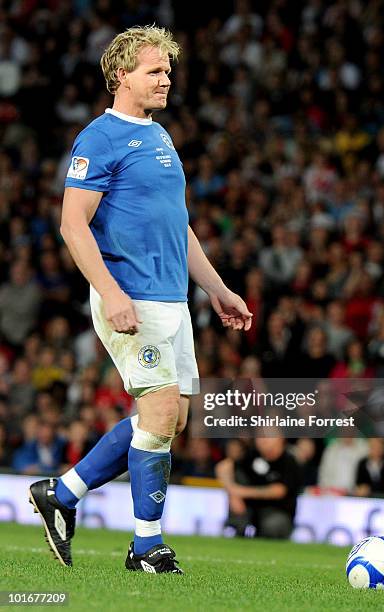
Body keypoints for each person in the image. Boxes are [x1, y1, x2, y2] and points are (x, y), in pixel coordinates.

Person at [29, 25, 252, 574]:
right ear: (120, 76)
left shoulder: (160, 136)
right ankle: (147, 546)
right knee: (157, 410)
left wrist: (217, 288)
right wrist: (110, 292)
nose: (165, 79)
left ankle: (63, 493)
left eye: (168, 71)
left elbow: (179, 225)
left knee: (172, 419)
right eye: (154, 71)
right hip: (132, 297)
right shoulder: (99, 138)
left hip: (173, 299)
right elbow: (72, 224)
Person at [216, 437, 302, 539]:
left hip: (277, 511)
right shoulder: (251, 456)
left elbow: (279, 491)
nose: (262, 440)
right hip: (248, 511)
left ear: (280, 439)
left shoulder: (289, 461)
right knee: (237, 522)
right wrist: (232, 493)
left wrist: (241, 492)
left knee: (273, 525)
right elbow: (223, 466)